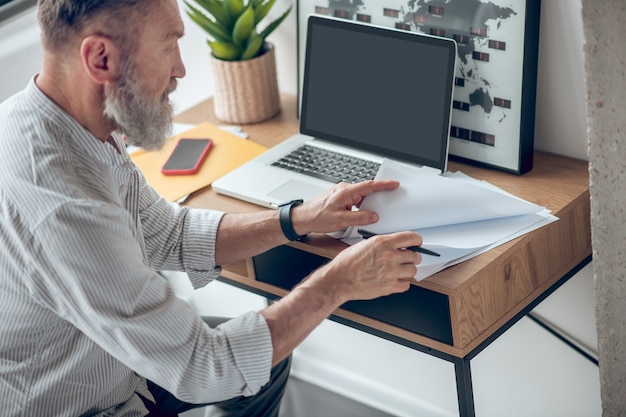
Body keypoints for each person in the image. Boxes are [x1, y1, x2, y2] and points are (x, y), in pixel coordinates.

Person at [0, 0, 423, 416]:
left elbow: (169, 233)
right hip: (86, 403)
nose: (180, 69)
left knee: (266, 363)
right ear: (101, 58)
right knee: (243, 362)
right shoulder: (62, 202)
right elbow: (205, 368)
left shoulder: (71, 123)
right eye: (169, 46)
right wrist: (338, 282)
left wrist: (296, 218)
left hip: (118, 368)